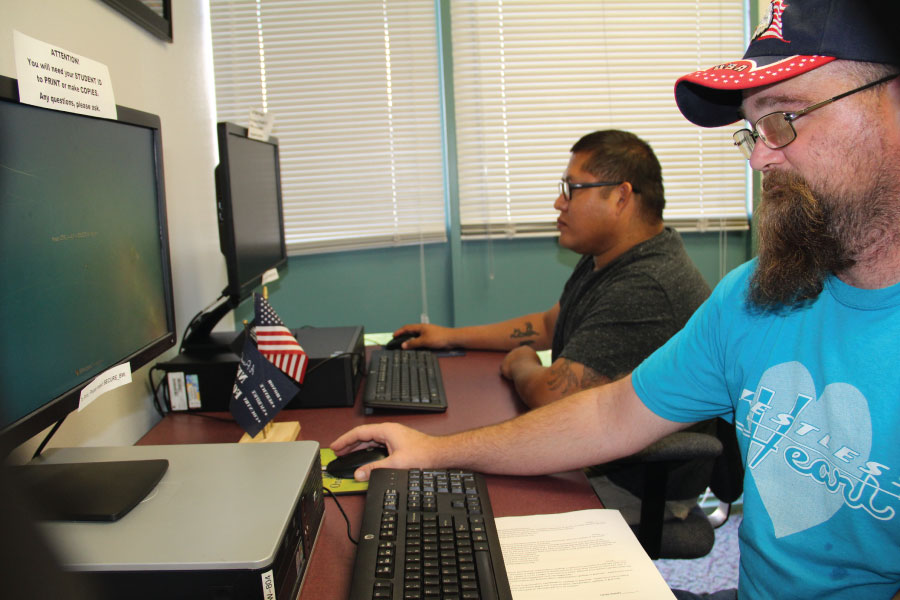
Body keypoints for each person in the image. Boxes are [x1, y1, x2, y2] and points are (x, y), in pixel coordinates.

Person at [333, 1, 900, 598]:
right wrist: (435, 453)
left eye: (784, 117)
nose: (760, 155)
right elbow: (610, 414)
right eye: (752, 131)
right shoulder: (755, 297)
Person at [393, 129, 710, 410]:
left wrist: (522, 361)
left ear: (620, 196)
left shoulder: (645, 285)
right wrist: (449, 337)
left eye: (571, 188)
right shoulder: (611, 254)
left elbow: (551, 396)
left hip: (623, 474)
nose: (559, 202)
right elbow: (548, 325)